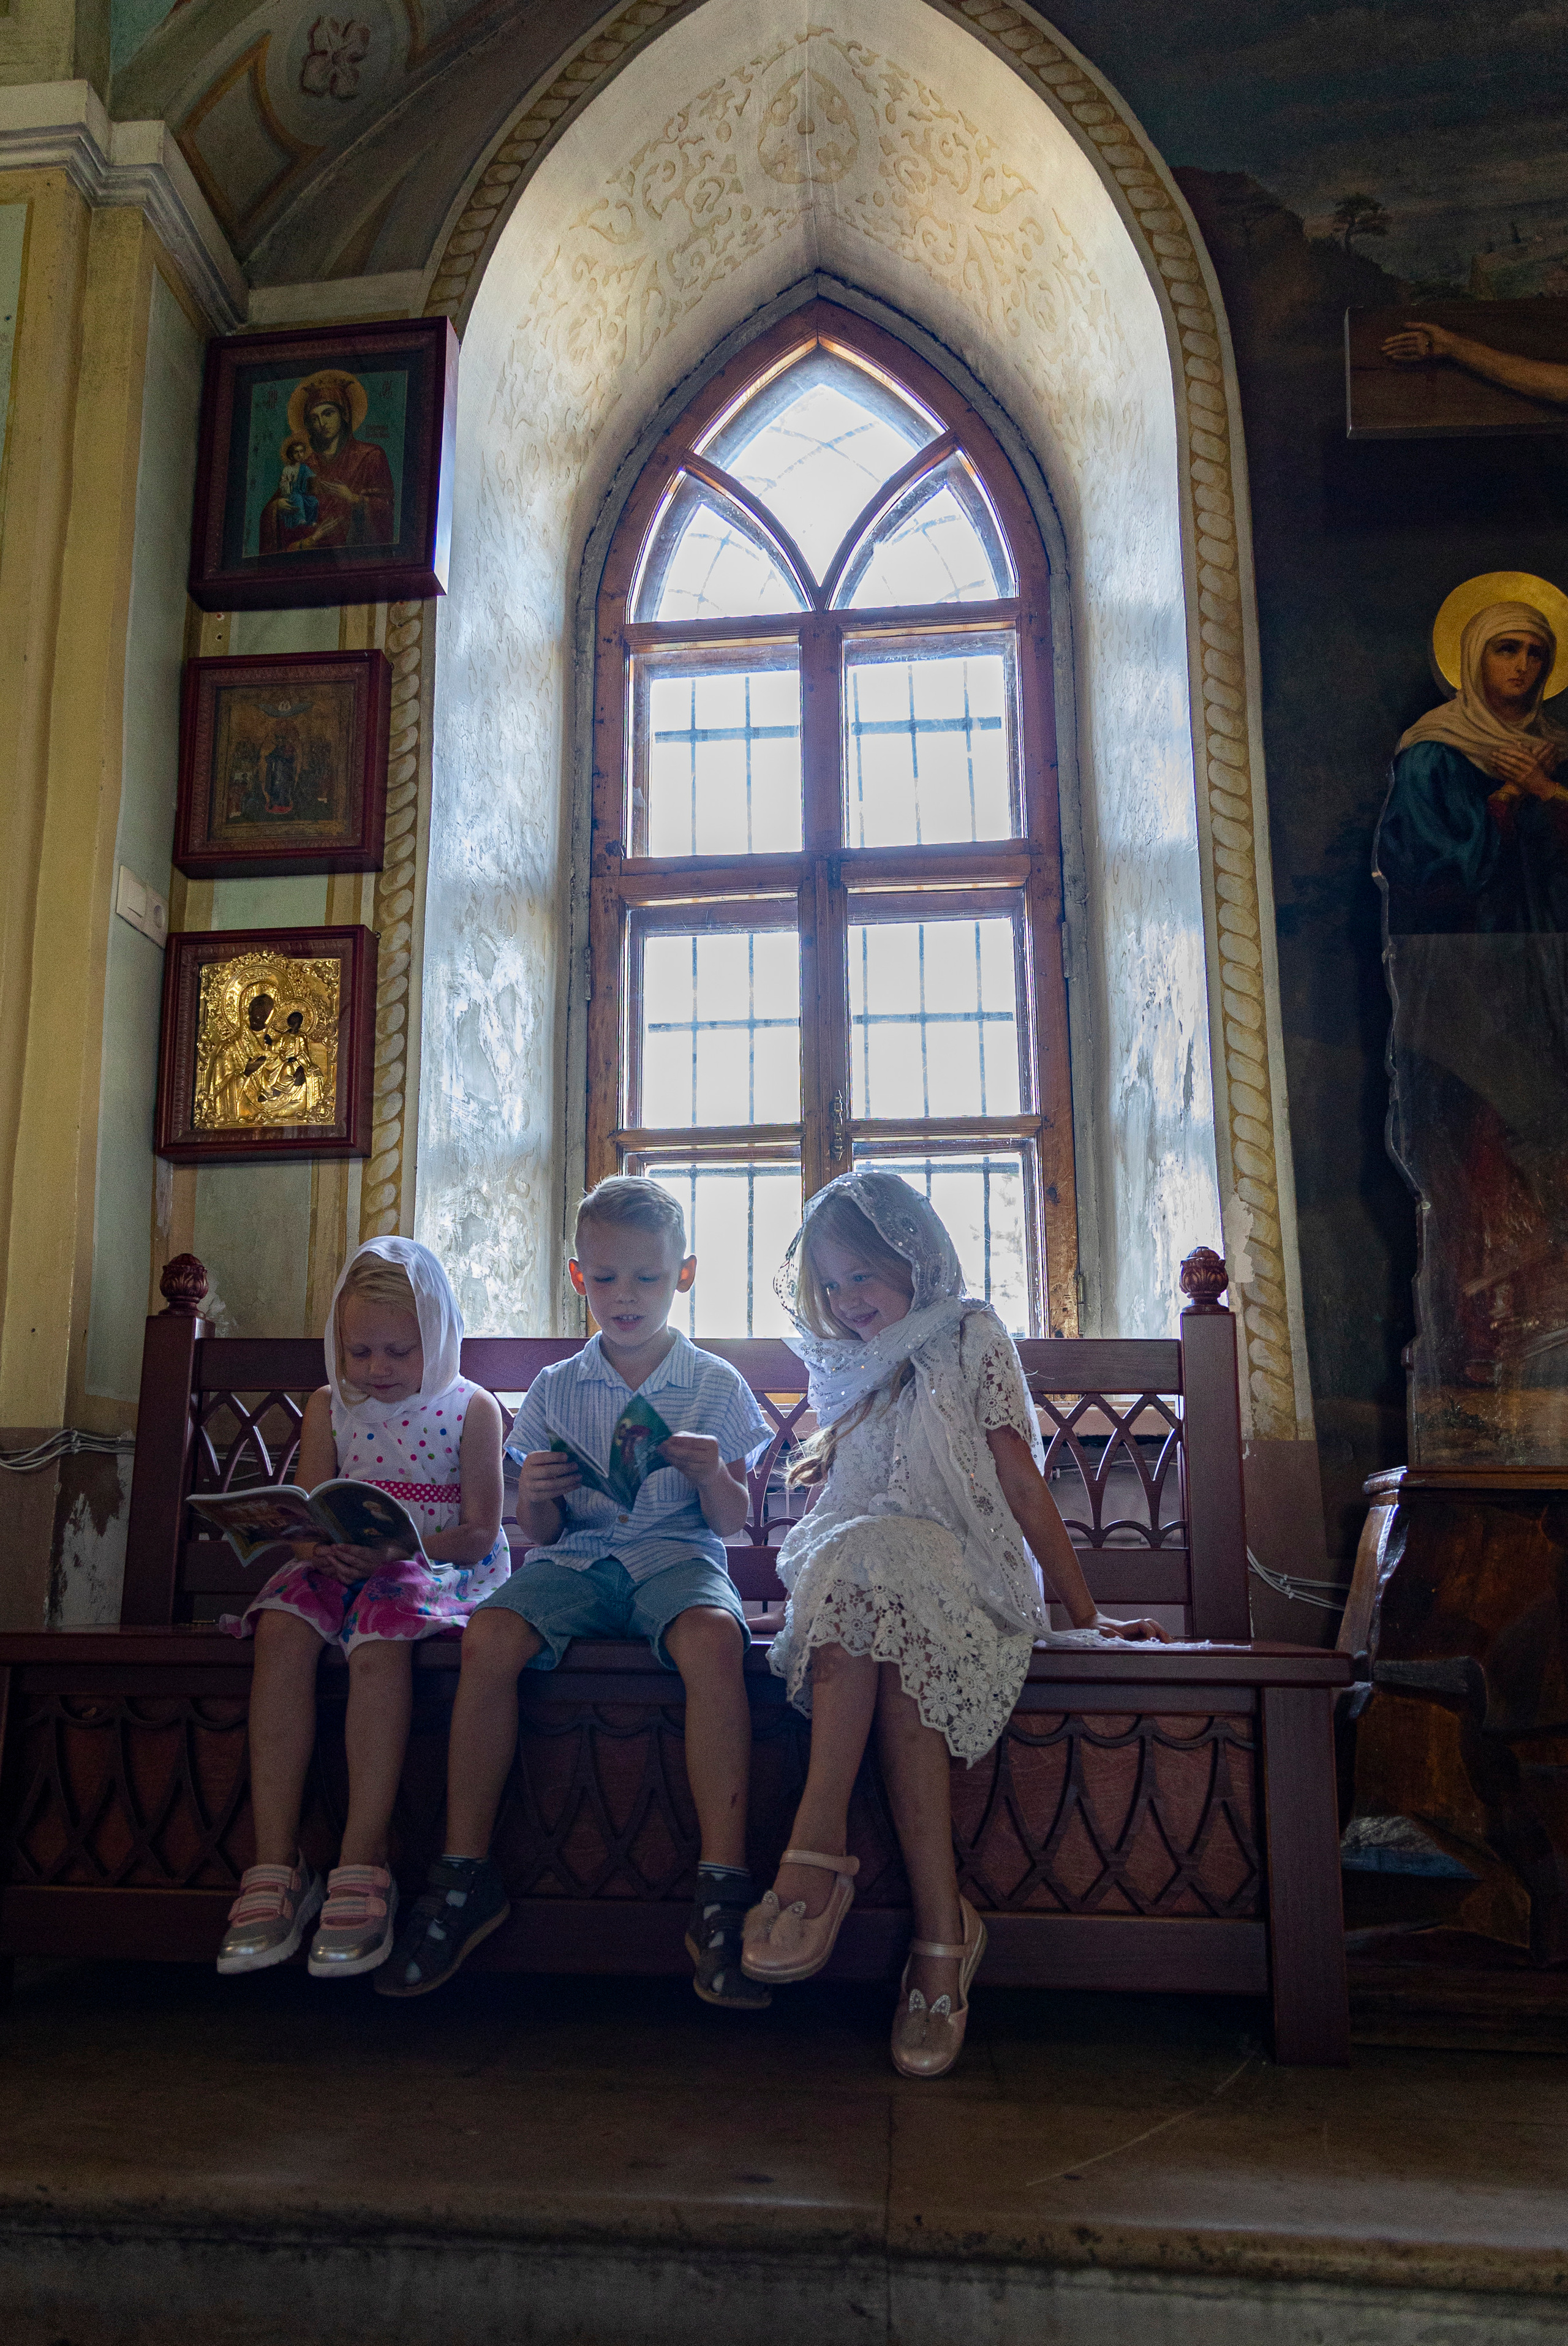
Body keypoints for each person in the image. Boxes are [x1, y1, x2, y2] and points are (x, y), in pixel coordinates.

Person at [739, 1171, 1167, 2079]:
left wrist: (1082, 1617)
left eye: (864, 1275)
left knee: (879, 1565)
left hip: (968, 1571)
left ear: (916, 1255)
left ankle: (815, 1852)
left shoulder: (971, 1331)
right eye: (832, 1284)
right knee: (872, 1589)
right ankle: (944, 1929)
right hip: (875, 1580)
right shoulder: (845, 1367)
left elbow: (1017, 1479)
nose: (850, 1301)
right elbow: (849, 1504)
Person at [376, 1176, 773, 2008]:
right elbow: (542, 1536)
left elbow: (733, 1523)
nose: (625, 1296)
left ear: (685, 1276)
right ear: (576, 1276)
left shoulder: (713, 1382)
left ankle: (723, 1885)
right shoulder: (557, 1386)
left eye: (648, 1278)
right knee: (488, 1637)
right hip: (580, 1560)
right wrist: (539, 1496)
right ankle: (463, 1872)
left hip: (677, 1554)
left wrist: (710, 1475)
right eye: (606, 1278)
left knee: (714, 1640)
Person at [215, 1238, 507, 1980]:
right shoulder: (328, 1405)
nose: (377, 1369)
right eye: (361, 1351)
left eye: (399, 1351)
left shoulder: (472, 1409)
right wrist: (316, 1549)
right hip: (342, 1563)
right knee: (280, 1624)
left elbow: (480, 1531)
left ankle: (360, 1857)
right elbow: (309, 1509)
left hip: (430, 1571)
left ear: (437, 1336)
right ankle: (274, 1864)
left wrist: (397, 1552)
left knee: (380, 1637)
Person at [1376, 599, 1568, 932]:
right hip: (1468, 942)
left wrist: (1544, 788)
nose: (1523, 665)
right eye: (1507, 649)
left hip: (1554, 937)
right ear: (1476, 655)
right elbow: (1428, 871)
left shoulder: (1559, 748)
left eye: (1535, 654)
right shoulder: (1431, 753)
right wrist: (1510, 795)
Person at [258, 373, 394, 555]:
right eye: (314, 419)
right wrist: (278, 507)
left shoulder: (371, 457)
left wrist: (354, 499)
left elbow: (386, 508)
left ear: (344, 414)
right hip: (311, 559)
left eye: (328, 414)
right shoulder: (305, 466)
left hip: (354, 563)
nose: (322, 423)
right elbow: (274, 508)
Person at [276, 436, 318, 530]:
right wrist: (289, 483)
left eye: (302, 452)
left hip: (302, 494)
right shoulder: (287, 469)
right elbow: (284, 486)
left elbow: (313, 478)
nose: (300, 455)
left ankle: (311, 522)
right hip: (292, 495)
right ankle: (300, 520)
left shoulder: (305, 468)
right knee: (298, 498)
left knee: (314, 501)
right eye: (296, 452)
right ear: (291, 455)